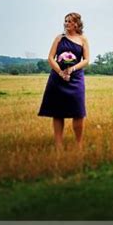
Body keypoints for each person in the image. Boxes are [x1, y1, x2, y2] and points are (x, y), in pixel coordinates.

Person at [38, 12, 89, 148]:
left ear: (77, 24)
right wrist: (61, 72)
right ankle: (58, 145)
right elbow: (50, 58)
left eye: (70, 21)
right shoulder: (59, 38)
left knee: (78, 112)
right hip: (58, 78)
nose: (66, 23)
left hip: (76, 78)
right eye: (65, 21)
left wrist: (72, 69)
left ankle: (79, 144)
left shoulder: (83, 39)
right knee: (58, 112)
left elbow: (87, 60)